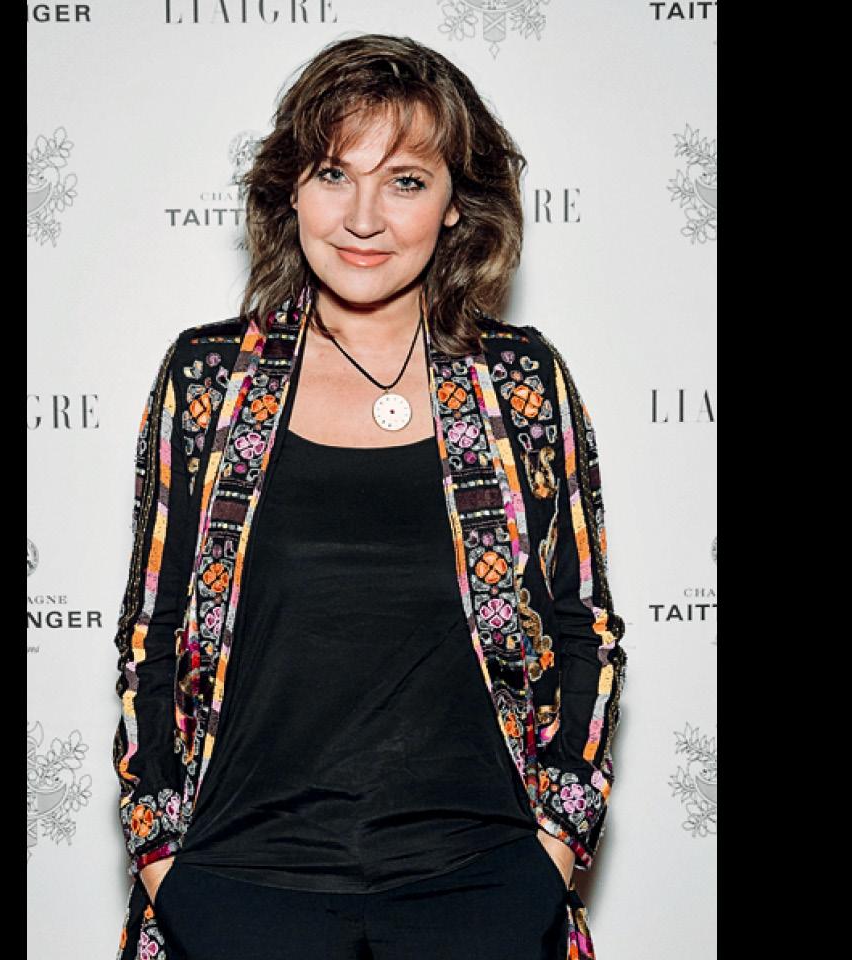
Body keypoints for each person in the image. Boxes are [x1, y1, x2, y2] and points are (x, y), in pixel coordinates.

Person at [111, 33, 627, 960]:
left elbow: (583, 624)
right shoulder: (209, 381)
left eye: (404, 182)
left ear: (457, 205)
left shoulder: (521, 382)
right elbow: (152, 632)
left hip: (482, 891)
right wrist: (163, 862)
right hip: (237, 891)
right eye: (332, 174)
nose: (361, 218)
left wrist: (553, 850)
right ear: (291, 191)